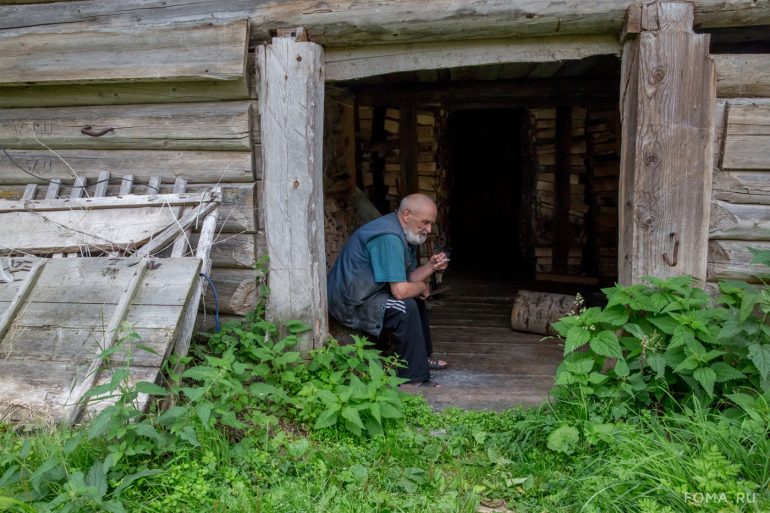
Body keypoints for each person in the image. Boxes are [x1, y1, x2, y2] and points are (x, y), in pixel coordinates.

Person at [327, 193, 450, 386]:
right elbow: (400, 291)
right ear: (407, 214)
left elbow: (406, 279)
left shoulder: (401, 232)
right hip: (351, 302)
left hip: (369, 293)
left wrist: (430, 268)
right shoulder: (389, 237)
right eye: (425, 222)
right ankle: (414, 378)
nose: (429, 229)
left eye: (430, 224)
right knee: (405, 306)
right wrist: (420, 287)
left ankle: (422, 358)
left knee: (415, 298)